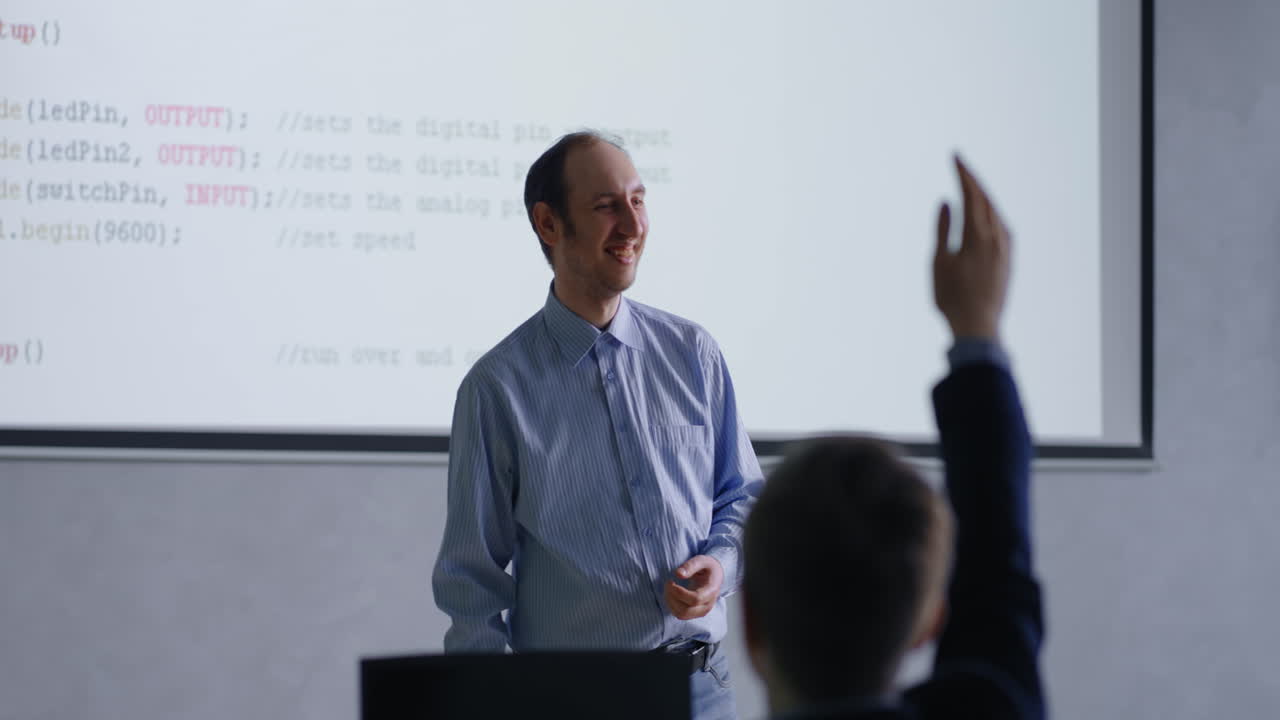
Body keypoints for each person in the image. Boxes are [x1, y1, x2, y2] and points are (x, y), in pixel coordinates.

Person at [432, 130, 763, 720]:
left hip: (702, 690)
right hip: (572, 700)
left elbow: (740, 497)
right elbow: (470, 584)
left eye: (638, 200)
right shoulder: (496, 389)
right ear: (549, 224)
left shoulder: (694, 354)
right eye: (607, 206)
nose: (633, 226)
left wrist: (721, 565)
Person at [740, 157, 1044, 719]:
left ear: (750, 623)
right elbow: (998, 582)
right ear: (930, 620)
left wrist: (976, 336)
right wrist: (976, 325)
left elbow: (998, 581)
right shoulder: (994, 707)